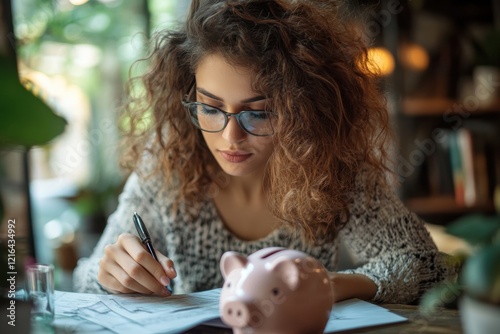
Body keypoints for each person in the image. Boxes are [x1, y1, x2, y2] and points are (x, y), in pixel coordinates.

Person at [73, 0, 456, 304]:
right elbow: (85, 279)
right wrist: (112, 275)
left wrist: (331, 286)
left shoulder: (330, 169)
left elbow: (426, 267)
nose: (230, 136)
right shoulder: (168, 162)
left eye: (257, 113)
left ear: (301, 109)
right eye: (210, 108)